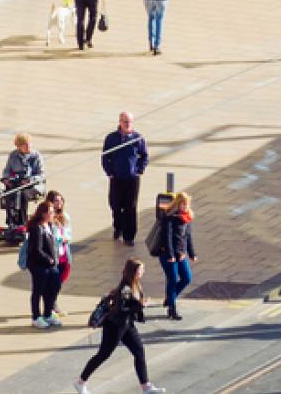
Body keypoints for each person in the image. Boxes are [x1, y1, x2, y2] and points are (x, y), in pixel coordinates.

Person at [73, 258, 163, 394]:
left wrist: (138, 306)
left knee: (139, 351)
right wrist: (140, 305)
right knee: (103, 354)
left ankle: (146, 386)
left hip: (127, 324)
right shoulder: (126, 288)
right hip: (115, 326)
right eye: (141, 269)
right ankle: (80, 382)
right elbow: (121, 309)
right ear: (134, 272)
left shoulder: (135, 284)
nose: (144, 271)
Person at [102, 111, 149, 245]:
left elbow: (144, 156)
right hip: (116, 177)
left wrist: (139, 170)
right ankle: (118, 227)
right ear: (120, 122)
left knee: (130, 207)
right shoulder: (111, 138)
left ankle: (129, 236)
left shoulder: (137, 138)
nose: (127, 124)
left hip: (132, 179)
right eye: (124, 121)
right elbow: (105, 156)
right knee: (115, 204)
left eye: (129, 122)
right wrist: (109, 172)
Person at [149, 190, 196, 321]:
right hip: (168, 254)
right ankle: (172, 309)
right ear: (177, 204)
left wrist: (191, 253)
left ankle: (170, 298)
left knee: (187, 278)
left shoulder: (186, 217)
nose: (185, 207)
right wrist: (171, 255)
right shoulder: (169, 218)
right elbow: (167, 237)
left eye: (187, 204)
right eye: (183, 204)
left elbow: (188, 237)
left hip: (180, 254)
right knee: (172, 279)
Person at [25, 199, 65, 329]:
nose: (52, 214)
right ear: (43, 214)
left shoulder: (50, 226)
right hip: (39, 265)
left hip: (51, 265)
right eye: (50, 212)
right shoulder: (37, 229)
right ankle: (36, 317)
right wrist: (49, 259)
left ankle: (48, 313)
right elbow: (37, 250)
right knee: (38, 290)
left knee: (54, 287)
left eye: (53, 212)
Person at [1, 133, 46, 227]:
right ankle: (10, 220)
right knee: (8, 194)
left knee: (22, 194)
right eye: (24, 145)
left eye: (29, 144)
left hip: (33, 185)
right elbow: (7, 170)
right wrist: (6, 179)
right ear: (18, 146)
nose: (28, 146)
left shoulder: (36, 156)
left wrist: (30, 180)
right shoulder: (13, 155)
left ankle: (23, 221)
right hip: (17, 183)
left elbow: (41, 175)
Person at [46, 189, 75, 316]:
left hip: (64, 253)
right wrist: (59, 239)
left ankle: (52, 302)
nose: (59, 203)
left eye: (60, 200)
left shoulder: (65, 216)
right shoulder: (49, 218)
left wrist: (66, 238)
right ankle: (51, 305)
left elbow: (68, 233)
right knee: (53, 282)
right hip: (54, 253)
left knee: (60, 280)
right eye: (56, 201)